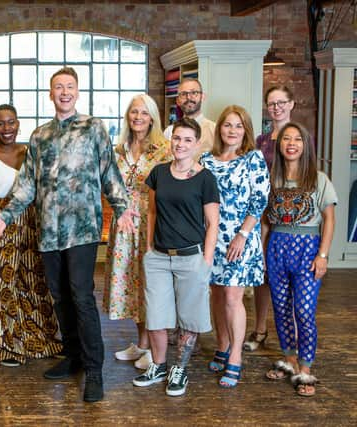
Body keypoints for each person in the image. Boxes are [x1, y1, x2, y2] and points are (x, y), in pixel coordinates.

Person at [0, 67, 137, 403]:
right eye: (58, 87)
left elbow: (109, 171)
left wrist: (122, 208)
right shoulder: (40, 136)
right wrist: (5, 217)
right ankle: (74, 356)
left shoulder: (93, 128)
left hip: (82, 231)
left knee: (81, 297)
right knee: (60, 297)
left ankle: (95, 370)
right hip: (49, 233)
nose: (64, 92)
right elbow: (26, 186)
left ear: (77, 92)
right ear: (50, 94)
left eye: (69, 87)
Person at [133, 117, 219, 397]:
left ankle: (178, 369)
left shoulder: (205, 178)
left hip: (191, 258)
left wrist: (205, 261)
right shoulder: (159, 172)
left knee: (189, 319)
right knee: (156, 317)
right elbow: (153, 213)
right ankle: (158, 366)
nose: (180, 144)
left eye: (187, 140)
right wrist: (148, 247)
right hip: (158, 257)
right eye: (177, 138)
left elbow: (212, 223)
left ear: (197, 145)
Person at [0, 104, 62, 367]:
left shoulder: (29, 152)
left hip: (30, 223)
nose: (7, 128)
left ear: (18, 123)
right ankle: (9, 347)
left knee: (34, 284)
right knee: (2, 287)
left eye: (11, 122)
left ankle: (42, 341)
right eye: (1, 123)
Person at [264, 122, 337, 397]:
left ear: (305, 145)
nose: (291, 143)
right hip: (277, 246)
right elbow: (265, 221)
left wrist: (323, 255)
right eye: (286, 139)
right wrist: (262, 253)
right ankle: (289, 359)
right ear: (279, 145)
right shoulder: (272, 178)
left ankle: (306, 367)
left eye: (297, 139)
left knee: (304, 311)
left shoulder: (318, 179)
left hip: (308, 248)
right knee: (281, 309)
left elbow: (329, 219)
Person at [200, 105, 270, 388]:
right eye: (227, 125)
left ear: (246, 130)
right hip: (212, 238)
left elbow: (260, 200)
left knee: (232, 296)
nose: (232, 130)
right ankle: (222, 345)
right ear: (220, 129)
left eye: (238, 126)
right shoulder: (206, 160)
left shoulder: (253, 158)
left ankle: (236, 356)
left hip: (240, 237)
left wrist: (242, 234)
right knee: (216, 295)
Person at [104, 94, 172, 371]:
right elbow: (108, 185)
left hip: (150, 222)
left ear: (152, 117)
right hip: (123, 226)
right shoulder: (118, 149)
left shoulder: (163, 149)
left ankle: (152, 346)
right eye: (134, 112)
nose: (138, 117)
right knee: (131, 283)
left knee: (150, 284)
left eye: (144, 113)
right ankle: (141, 342)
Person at [244, 86, 296, 353]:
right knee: (263, 273)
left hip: (289, 213)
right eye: (272, 103)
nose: (276, 107)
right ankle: (260, 328)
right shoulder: (262, 140)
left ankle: (291, 334)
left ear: (291, 104)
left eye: (281, 102)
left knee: (289, 274)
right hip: (263, 213)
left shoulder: (298, 137)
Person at [163, 78, 216, 161]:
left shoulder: (215, 130)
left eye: (194, 93)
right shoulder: (169, 132)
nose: (189, 98)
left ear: (202, 97)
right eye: (184, 94)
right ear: (178, 101)